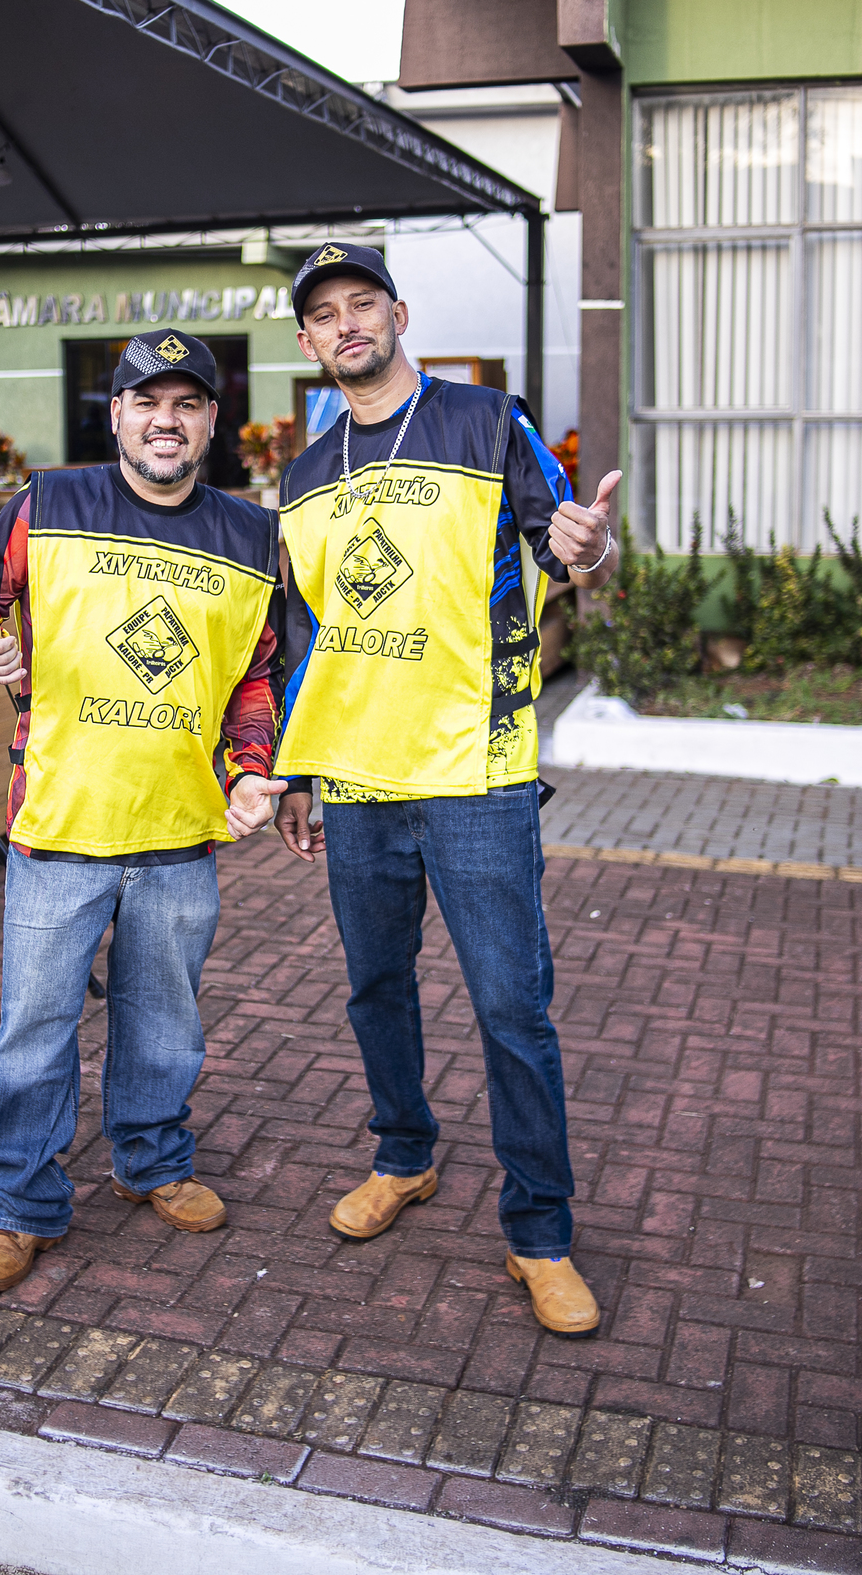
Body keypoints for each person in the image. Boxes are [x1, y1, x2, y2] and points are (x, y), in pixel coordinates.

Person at [273, 243, 620, 1337]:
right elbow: (303, 633)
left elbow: (566, 544)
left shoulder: (486, 419)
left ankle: (541, 1232)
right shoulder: (304, 473)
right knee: (376, 988)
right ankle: (404, 1155)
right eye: (325, 313)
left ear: (399, 313)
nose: (347, 323)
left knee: (512, 1006)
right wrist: (297, 768)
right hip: (356, 778)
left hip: (477, 770)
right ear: (307, 341)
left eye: (362, 302)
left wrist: (590, 547)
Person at [0, 329, 286, 1295]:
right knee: (35, 1031)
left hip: (179, 830)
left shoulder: (252, 535)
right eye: (148, 403)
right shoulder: (50, 503)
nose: (166, 421)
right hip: (60, 823)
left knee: (165, 1024)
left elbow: (256, 677)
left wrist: (253, 770)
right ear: (118, 413)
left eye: (187, 405)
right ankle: (22, 1204)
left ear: (211, 420)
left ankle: (152, 1161)